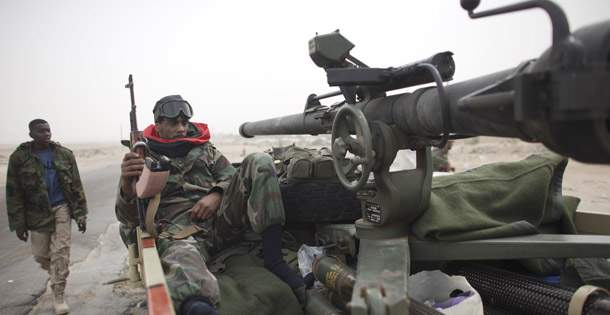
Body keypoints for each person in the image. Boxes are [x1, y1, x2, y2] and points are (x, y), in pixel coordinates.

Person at [116, 95, 306, 314]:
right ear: (158, 125)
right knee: (183, 268)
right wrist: (127, 186)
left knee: (260, 161)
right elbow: (129, 218)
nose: (181, 129)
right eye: (173, 123)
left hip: (221, 225)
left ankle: (275, 261)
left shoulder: (205, 150)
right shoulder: (142, 158)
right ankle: (199, 307)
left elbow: (232, 177)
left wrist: (216, 194)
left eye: (185, 123)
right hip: (180, 233)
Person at [6, 119, 88, 315]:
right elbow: (13, 193)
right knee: (41, 255)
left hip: (62, 208)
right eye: (41, 131)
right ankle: (57, 274)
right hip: (36, 213)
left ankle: (58, 294)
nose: (46, 134)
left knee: (61, 252)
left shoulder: (64, 154)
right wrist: (18, 223)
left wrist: (81, 214)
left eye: (48, 130)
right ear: (31, 134)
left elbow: (76, 185)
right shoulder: (19, 158)